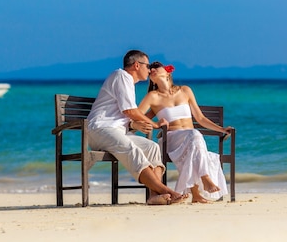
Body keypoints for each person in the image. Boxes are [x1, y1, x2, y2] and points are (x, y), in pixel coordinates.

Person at [86, 50, 187, 205]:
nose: (149, 70)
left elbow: (122, 116)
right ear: (136, 65)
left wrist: (133, 124)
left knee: (152, 147)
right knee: (130, 148)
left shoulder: (128, 83)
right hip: (100, 129)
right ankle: (167, 191)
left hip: (116, 131)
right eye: (147, 66)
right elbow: (130, 111)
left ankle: (154, 195)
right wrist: (154, 124)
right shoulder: (121, 76)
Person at [138, 62, 233, 203]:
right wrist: (154, 125)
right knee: (194, 135)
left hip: (191, 138)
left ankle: (196, 195)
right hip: (170, 139)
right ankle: (205, 177)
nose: (151, 69)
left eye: (155, 66)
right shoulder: (152, 96)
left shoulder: (185, 90)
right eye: (150, 68)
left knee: (193, 138)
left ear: (167, 72)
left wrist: (222, 129)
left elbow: (200, 118)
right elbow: (137, 115)